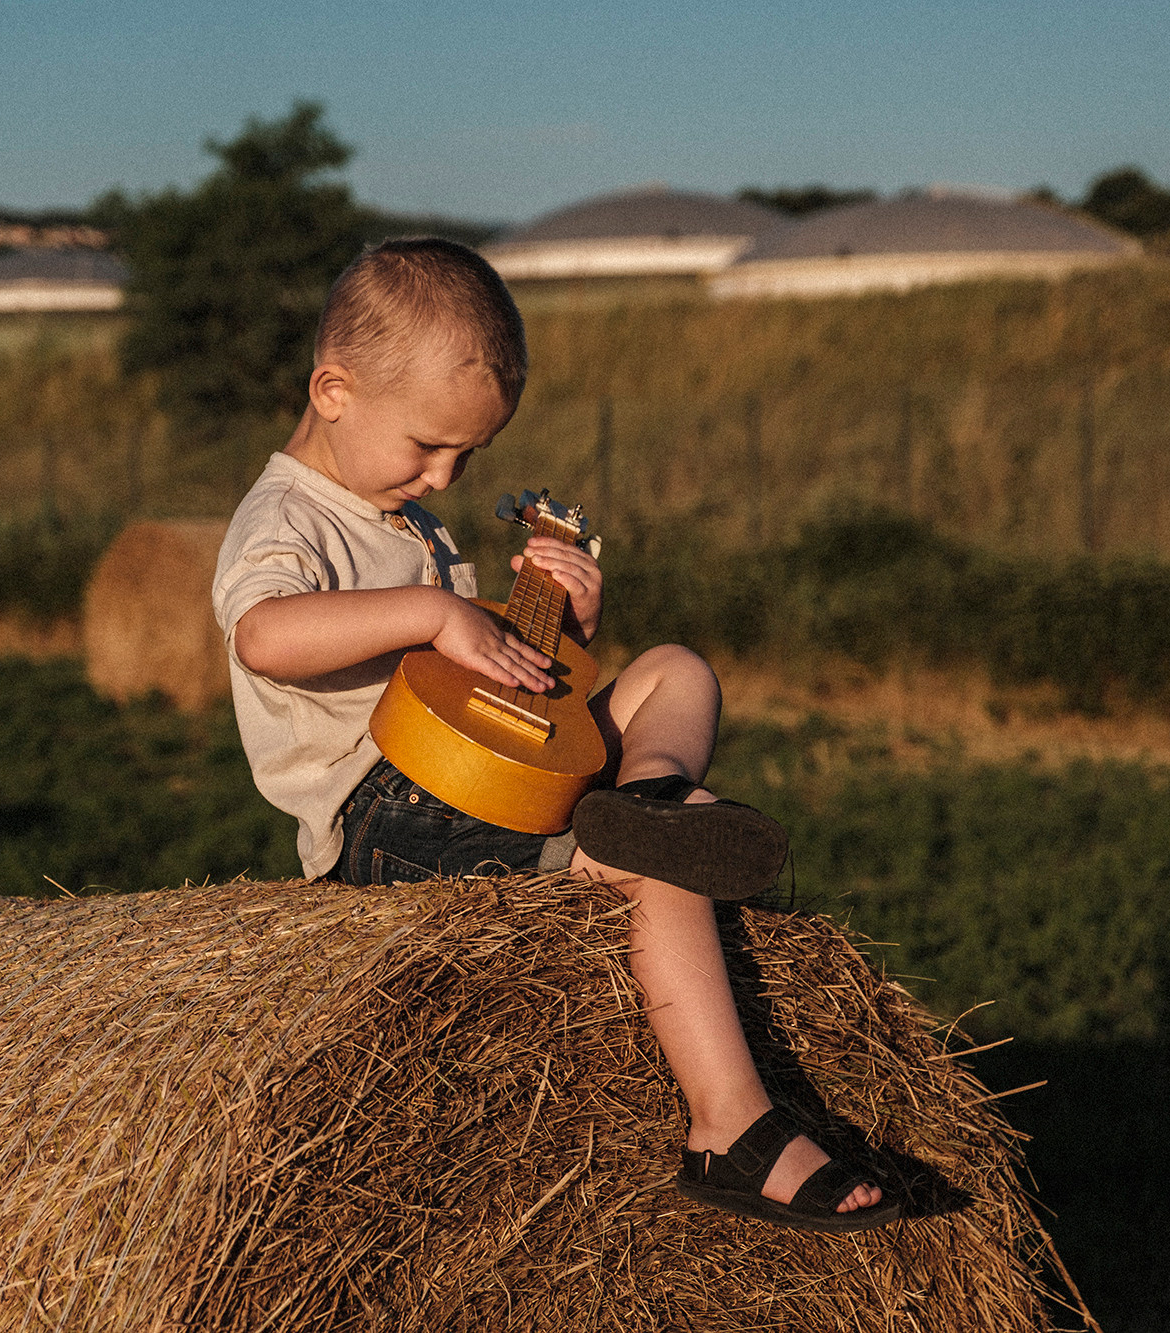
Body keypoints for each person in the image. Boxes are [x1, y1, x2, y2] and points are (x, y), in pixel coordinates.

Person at [212, 237, 898, 1234]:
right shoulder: (288, 521)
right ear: (331, 390)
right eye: (426, 447)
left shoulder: (399, 512)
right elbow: (264, 634)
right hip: (390, 819)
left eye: (467, 457)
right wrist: (437, 614)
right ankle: (730, 1128)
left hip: (485, 778)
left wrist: (556, 626)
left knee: (674, 668)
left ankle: (647, 797)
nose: (443, 476)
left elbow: (482, 686)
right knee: (654, 877)